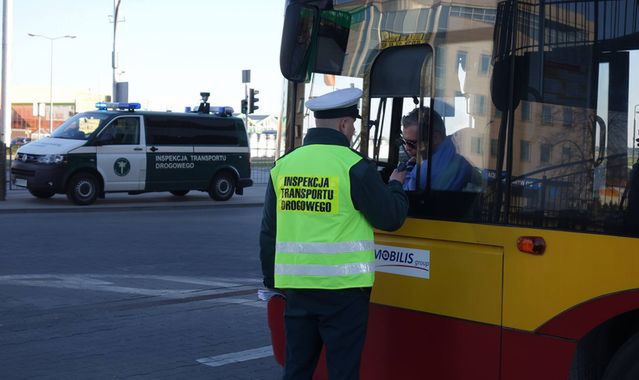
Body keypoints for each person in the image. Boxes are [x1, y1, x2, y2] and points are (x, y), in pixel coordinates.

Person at [260, 87, 409, 380]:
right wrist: (395, 185)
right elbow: (391, 217)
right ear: (343, 124)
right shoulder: (353, 166)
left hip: (297, 288)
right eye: (353, 123)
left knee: (297, 369)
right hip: (344, 292)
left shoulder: (284, 166)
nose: (353, 128)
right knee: (342, 370)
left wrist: (272, 282)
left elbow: (269, 231)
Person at [400, 106, 473, 191]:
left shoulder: (425, 171)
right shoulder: (453, 146)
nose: (407, 148)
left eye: (412, 143)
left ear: (435, 138)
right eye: (405, 142)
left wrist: (396, 181)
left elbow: (404, 195)